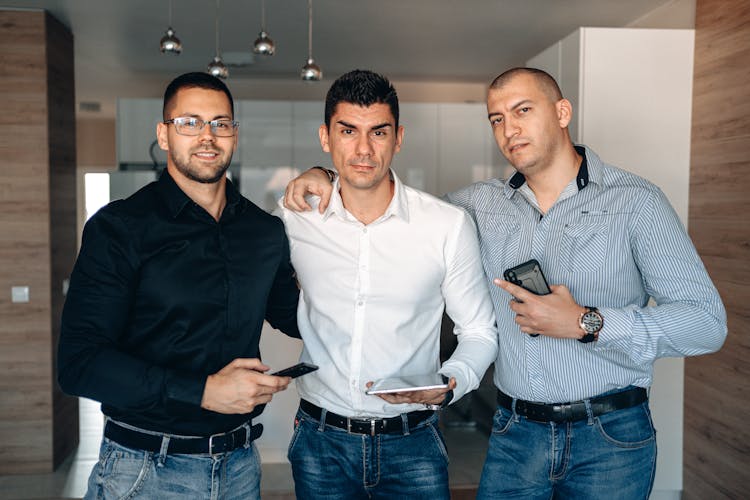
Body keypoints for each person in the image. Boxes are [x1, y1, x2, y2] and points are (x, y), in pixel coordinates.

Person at [283, 67, 728, 499]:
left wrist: (587, 322)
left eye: (522, 111)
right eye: (497, 118)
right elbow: (384, 204)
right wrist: (325, 175)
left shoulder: (636, 203)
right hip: (516, 434)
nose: (509, 129)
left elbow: (707, 324)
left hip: (609, 434)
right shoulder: (476, 206)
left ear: (562, 112)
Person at [58, 72, 301, 500]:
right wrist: (205, 391)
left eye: (220, 123)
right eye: (190, 122)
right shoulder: (120, 229)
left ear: (234, 135)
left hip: (240, 466)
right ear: (164, 134)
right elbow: (80, 363)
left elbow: (297, 315)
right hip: (144, 469)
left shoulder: (264, 232)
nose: (207, 136)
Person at [275, 69, 498, 500]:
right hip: (321, 444)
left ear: (398, 138)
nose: (363, 149)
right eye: (347, 131)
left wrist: (451, 381)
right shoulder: (293, 218)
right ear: (326, 138)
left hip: (412, 443)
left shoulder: (447, 226)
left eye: (378, 132)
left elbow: (479, 330)